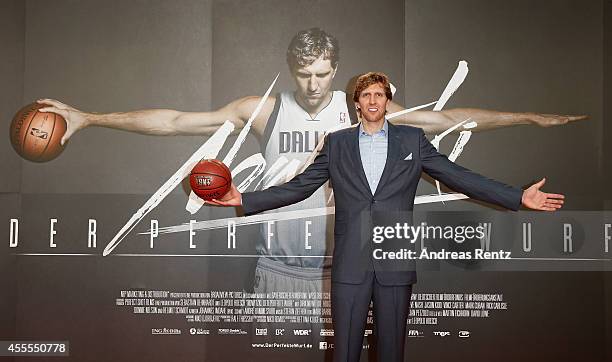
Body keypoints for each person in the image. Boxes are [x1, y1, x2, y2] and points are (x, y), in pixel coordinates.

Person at [207, 72, 564, 361]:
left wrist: (517, 197)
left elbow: (460, 176)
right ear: (357, 103)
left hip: (395, 260)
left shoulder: (413, 140)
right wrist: (245, 198)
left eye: (380, 94)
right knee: (345, 352)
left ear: (387, 101)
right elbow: (300, 186)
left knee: (392, 351)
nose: (374, 101)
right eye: (367, 96)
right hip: (350, 263)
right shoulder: (338, 143)